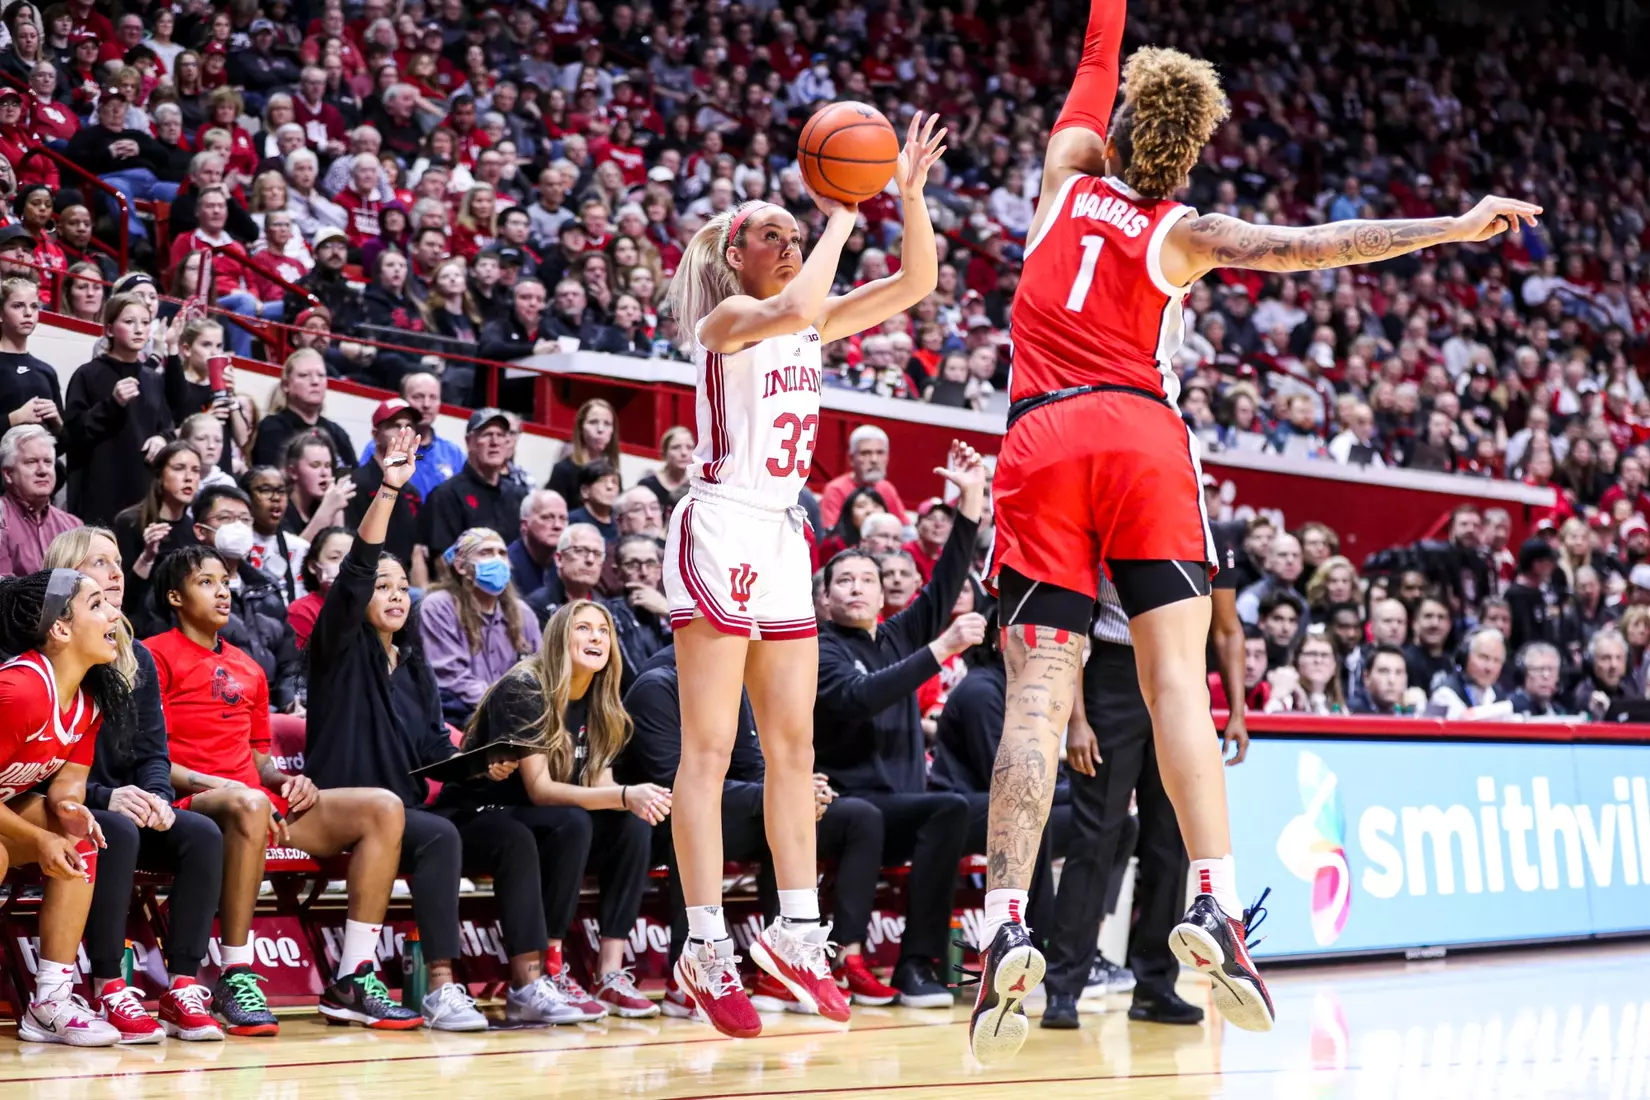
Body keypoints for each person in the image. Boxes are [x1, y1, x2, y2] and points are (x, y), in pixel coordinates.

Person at [971, 0, 1539, 1059]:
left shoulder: (1057, 181)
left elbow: (1098, 54)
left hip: (1039, 437)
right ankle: (1217, 906)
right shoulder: (1182, 231)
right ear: (1185, 157)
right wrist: (1452, 225)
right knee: (1175, 680)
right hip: (1139, 433)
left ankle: (1003, 915)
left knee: (1038, 695)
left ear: (1117, 129)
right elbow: (1318, 246)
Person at [661, 113, 946, 1037]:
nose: (789, 241)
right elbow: (793, 309)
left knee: (796, 750)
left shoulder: (806, 311)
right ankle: (703, 944)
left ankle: (797, 933)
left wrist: (903, 196)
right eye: (771, 232)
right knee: (707, 751)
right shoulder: (728, 318)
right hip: (718, 525)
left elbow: (919, 282)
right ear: (731, 253)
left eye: (796, 230)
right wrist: (837, 213)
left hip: (782, 535)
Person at [147, 544, 422, 1030]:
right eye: (205, 582)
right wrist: (232, 786)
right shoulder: (152, 656)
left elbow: (257, 759)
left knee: (383, 807)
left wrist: (287, 779)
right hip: (191, 800)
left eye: (224, 582)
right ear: (174, 596)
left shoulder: (249, 667)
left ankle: (352, 978)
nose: (222, 592)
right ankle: (234, 973)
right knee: (250, 803)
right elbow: (149, 758)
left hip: (253, 802)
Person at [814, 444, 987, 1007]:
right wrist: (939, 651)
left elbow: (943, 589)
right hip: (852, 805)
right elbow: (859, 697)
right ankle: (911, 962)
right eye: (846, 581)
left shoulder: (894, 635)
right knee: (949, 806)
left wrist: (971, 504)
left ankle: (1035, 947)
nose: (860, 587)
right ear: (826, 597)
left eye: (868, 578)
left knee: (1010, 805)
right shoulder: (821, 650)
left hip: (906, 805)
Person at [40, 528, 226, 1042]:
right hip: (60, 805)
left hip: (122, 802)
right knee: (116, 831)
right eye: (101, 563)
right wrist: (108, 798)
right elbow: (42, 766)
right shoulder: (46, 655)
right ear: (70, 581)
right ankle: (108, 984)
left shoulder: (137, 658)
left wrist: (160, 800)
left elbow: (153, 755)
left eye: (119, 562)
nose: (118, 573)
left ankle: (183, 984)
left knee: (202, 833)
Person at [438, 601, 665, 1019]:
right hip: (481, 812)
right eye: (583, 628)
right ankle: (553, 969)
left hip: (545, 821)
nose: (596, 637)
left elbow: (600, 785)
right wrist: (623, 794)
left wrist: (636, 798)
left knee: (632, 825)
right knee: (575, 821)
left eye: (603, 630)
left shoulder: (602, 698)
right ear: (560, 637)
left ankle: (609, 973)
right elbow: (539, 789)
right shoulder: (526, 687)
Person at [63, 294, 174, 527]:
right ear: (110, 329)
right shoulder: (88, 374)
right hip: (99, 490)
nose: (139, 329)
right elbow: (73, 434)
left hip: (141, 491)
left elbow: (167, 427)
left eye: (145, 323)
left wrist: (161, 439)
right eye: (129, 322)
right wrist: (112, 404)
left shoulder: (152, 378)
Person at [420, 527, 542, 724]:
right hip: (458, 717)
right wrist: (504, 706)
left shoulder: (524, 614)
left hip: (514, 717)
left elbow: (539, 671)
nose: (497, 560)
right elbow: (451, 678)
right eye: (485, 552)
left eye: (502, 553)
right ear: (460, 565)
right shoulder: (439, 606)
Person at [421, 408, 529, 562]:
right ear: (469, 441)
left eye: (501, 435)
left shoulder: (519, 496)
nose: (495, 442)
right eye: (487, 435)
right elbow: (442, 559)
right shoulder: (446, 495)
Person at [250, 348, 359, 469]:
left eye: (321, 375)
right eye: (304, 375)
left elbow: (354, 480)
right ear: (286, 385)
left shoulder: (337, 433)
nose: (315, 381)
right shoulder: (271, 429)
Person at [0, 426, 82, 576]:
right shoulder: (2, 520)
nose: (43, 470)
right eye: (31, 462)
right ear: (8, 474)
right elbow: (5, 590)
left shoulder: (73, 526)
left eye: (48, 462)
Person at [112, 439, 201, 576]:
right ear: (159, 475)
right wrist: (147, 557)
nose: (189, 477)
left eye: (195, 470)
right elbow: (122, 590)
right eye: (179, 468)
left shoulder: (194, 530)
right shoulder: (130, 522)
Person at [0, 278, 64, 433]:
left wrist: (58, 424)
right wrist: (15, 418)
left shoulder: (46, 371)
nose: (28, 313)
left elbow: (62, 444)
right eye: (18, 306)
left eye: (34, 306)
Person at [818, 425, 908, 529]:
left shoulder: (887, 489)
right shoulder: (836, 490)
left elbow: (906, 530)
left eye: (880, 453)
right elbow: (831, 533)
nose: (874, 460)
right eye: (865, 453)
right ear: (851, 459)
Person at [546, 398, 622, 505]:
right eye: (593, 422)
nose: (600, 429)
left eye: (607, 424)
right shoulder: (563, 470)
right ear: (581, 428)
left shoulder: (612, 470)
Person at [287, 526, 351, 649]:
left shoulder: (368, 604)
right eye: (334, 557)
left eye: (350, 558)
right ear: (312, 566)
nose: (344, 565)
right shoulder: (301, 610)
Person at [1428, 627, 1507, 718]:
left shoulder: (1499, 696)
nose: (1489, 667)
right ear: (1465, 657)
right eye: (1484, 657)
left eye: (1497, 660)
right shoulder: (1443, 694)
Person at [509, 489, 568, 597]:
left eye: (563, 518)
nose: (557, 525)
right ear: (524, 525)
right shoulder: (508, 566)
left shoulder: (567, 562)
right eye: (547, 517)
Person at [637, 425, 693, 512]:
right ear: (664, 452)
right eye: (676, 447)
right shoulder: (647, 485)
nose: (684, 453)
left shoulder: (698, 487)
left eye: (689, 447)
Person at [1508, 641, 1568, 716]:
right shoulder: (1509, 707)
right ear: (1524, 672)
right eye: (1539, 669)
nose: (1546, 675)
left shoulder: (1559, 711)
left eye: (1551, 670)